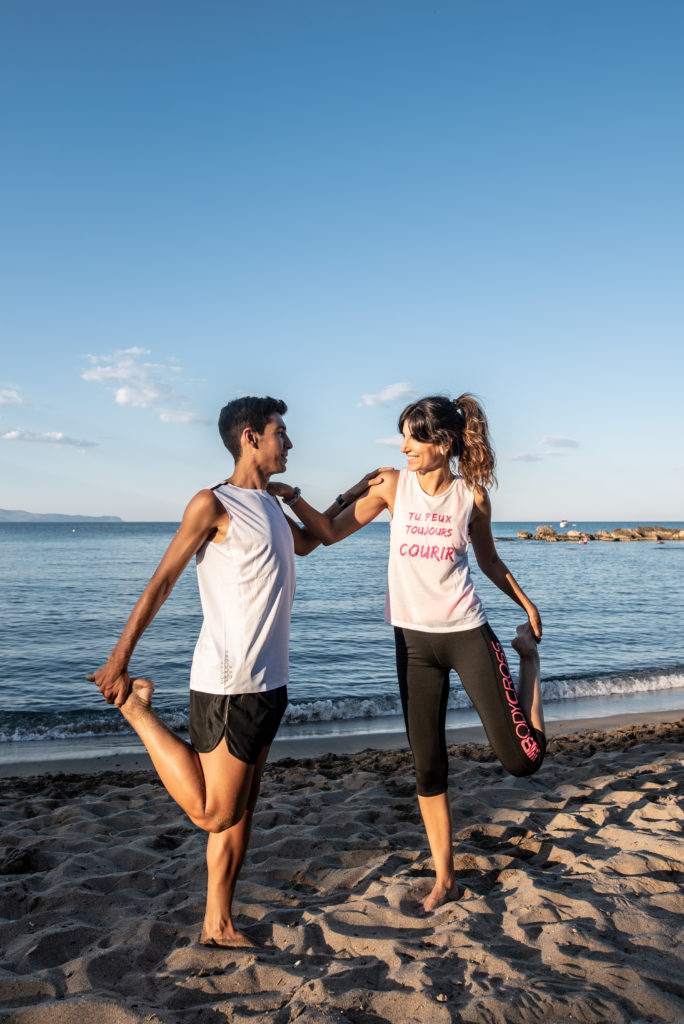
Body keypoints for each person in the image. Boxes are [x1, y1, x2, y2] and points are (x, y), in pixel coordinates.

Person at [88, 395, 378, 948]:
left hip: (270, 681)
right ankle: (136, 710)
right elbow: (163, 581)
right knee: (213, 813)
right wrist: (119, 659)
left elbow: (311, 541)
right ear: (250, 438)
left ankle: (218, 923)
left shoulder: (268, 503)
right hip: (228, 683)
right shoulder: (212, 503)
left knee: (242, 811)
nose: (289, 442)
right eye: (280, 433)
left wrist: (349, 494)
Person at [268, 393, 546, 913]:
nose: (404, 447)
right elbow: (320, 537)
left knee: (523, 761)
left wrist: (526, 604)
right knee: (428, 767)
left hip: (467, 633)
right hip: (413, 643)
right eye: (403, 437)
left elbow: (489, 561)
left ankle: (528, 660)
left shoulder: (471, 496)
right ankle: (446, 880)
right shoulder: (393, 487)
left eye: (413, 438)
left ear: (443, 443)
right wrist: (292, 497)